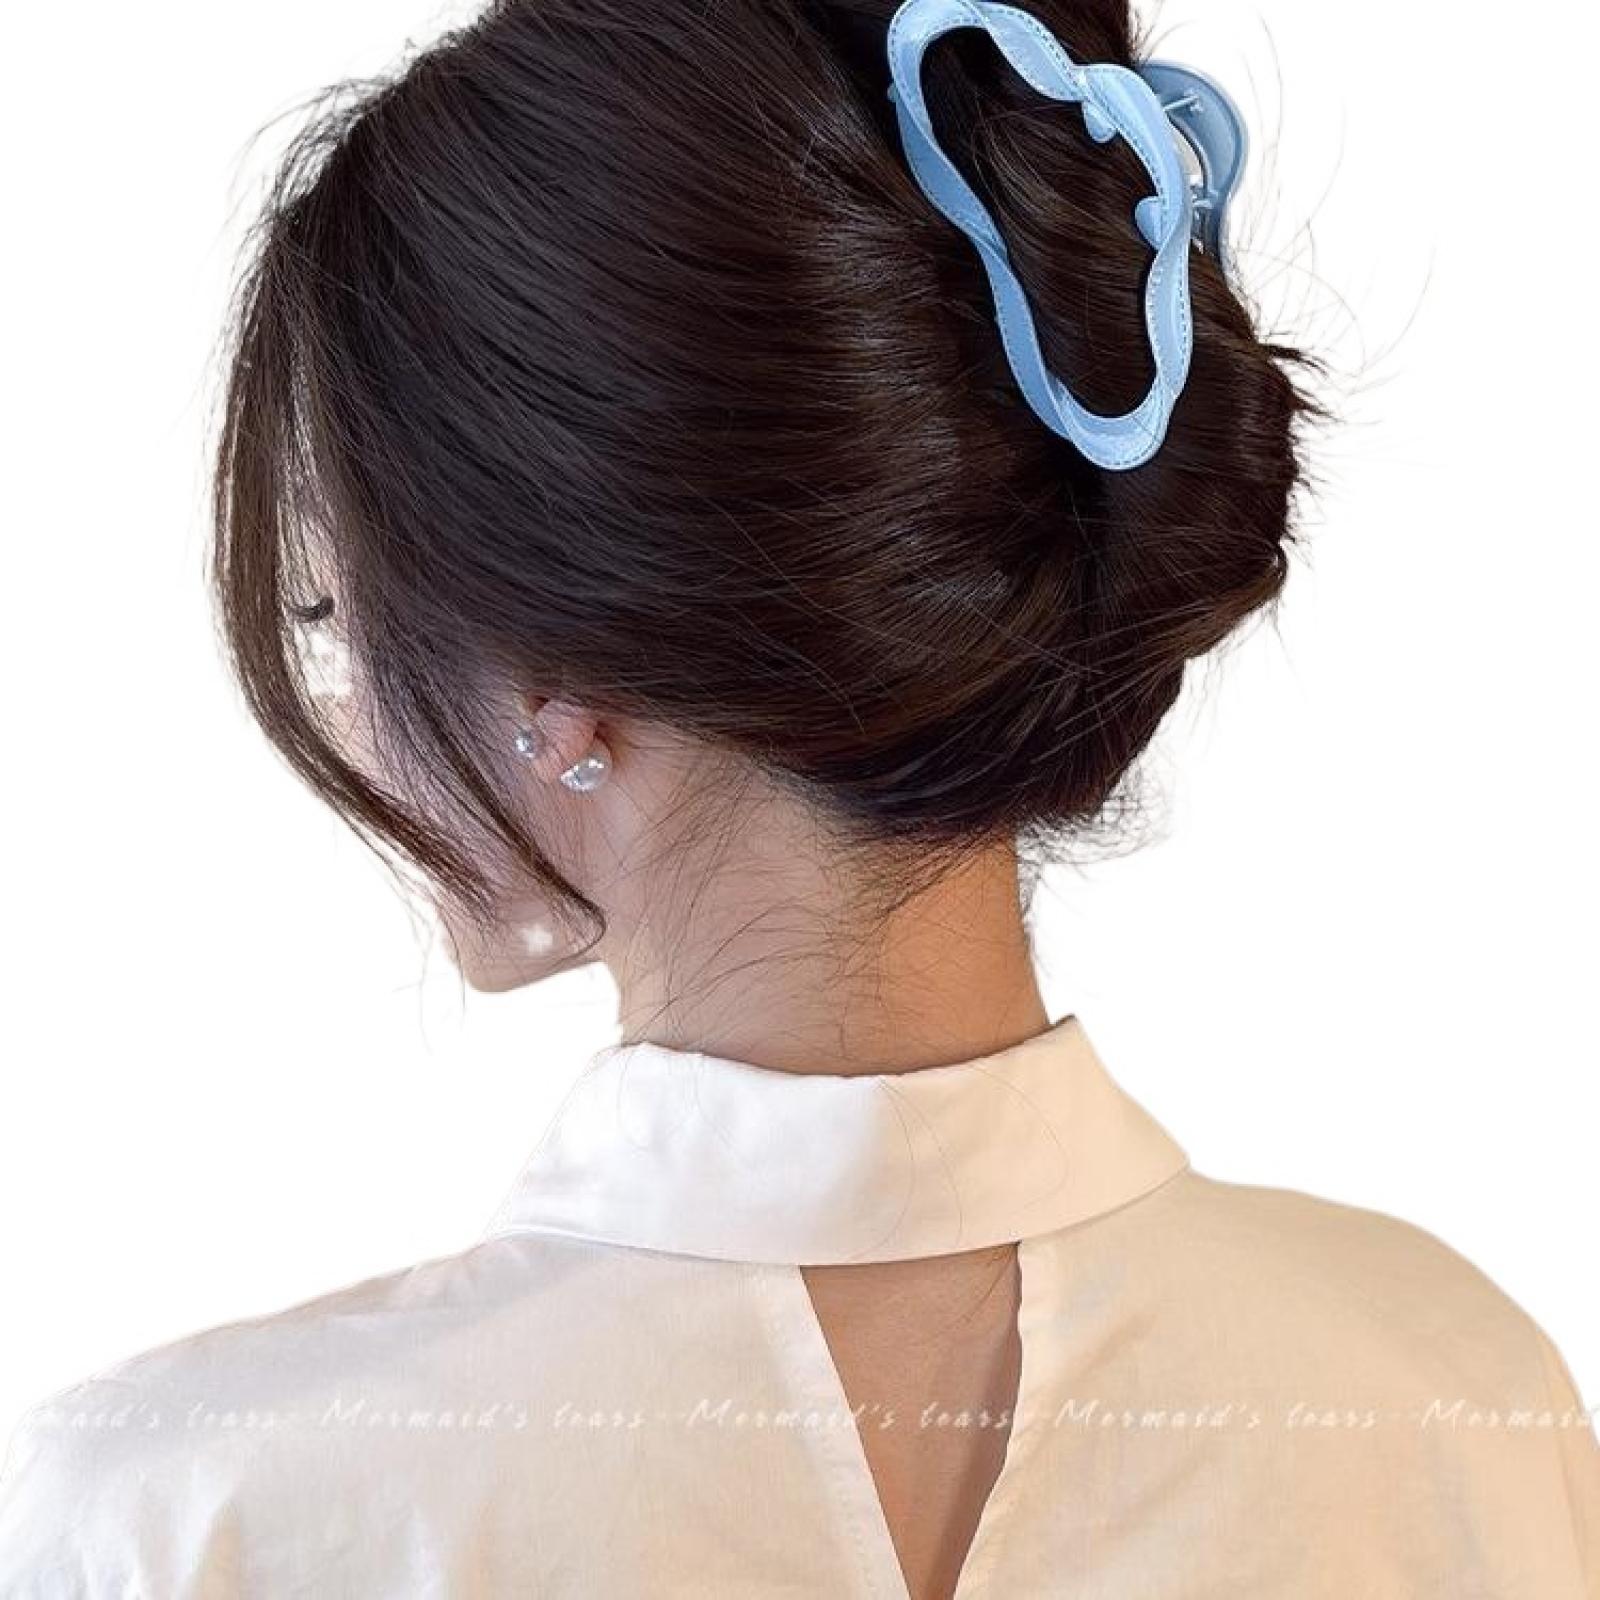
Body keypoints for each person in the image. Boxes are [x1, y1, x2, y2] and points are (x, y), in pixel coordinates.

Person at [2, 0, 1595, 1595]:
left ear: (565, 678)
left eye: (337, 617)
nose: (359, 719)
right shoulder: (1462, 1403)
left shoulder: (190, 1519)